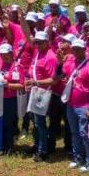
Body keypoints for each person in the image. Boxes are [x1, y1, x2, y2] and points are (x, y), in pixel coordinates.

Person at [60, 38, 89, 172]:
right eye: (74, 49)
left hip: (84, 106)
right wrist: (60, 61)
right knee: (74, 133)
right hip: (71, 105)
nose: (75, 51)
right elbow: (61, 74)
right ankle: (78, 158)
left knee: (86, 134)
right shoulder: (72, 64)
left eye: (78, 49)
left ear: (84, 50)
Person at [25, 31, 57, 162]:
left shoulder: (50, 57)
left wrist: (36, 82)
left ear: (47, 42)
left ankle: (43, 151)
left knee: (40, 123)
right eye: (36, 42)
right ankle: (38, 145)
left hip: (43, 92)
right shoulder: (38, 52)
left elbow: (53, 80)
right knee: (35, 121)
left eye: (40, 42)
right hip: (35, 91)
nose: (37, 44)